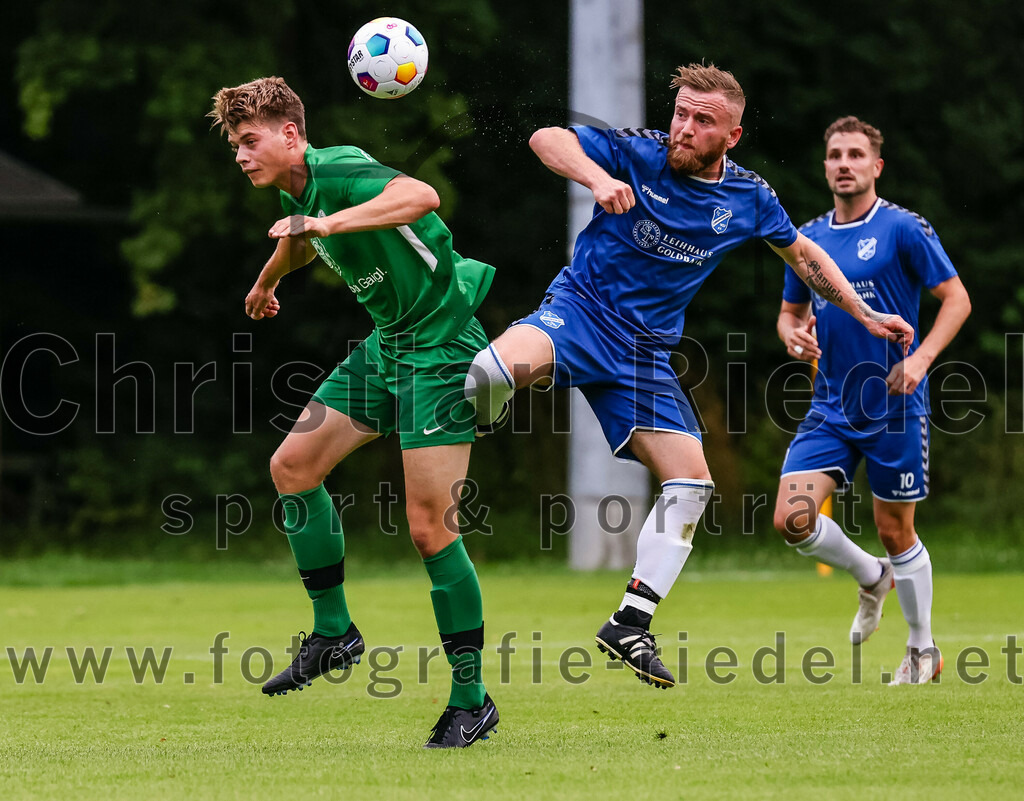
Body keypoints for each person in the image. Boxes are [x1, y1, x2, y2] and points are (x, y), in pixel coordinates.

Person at [464, 64, 914, 689]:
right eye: (680, 113)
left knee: (691, 483)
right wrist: (597, 179)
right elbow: (548, 138)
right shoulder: (638, 153)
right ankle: (474, 429)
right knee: (485, 375)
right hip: (580, 312)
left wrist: (863, 311)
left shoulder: (749, 198)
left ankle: (630, 622)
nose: (683, 128)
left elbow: (804, 255)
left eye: (702, 121)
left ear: (731, 135)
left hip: (643, 357)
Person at [208, 76, 498, 747]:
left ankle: (471, 697)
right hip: (389, 345)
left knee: (430, 527)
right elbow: (303, 237)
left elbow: (418, 196)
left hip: (442, 346)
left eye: (249, 140)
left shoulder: (338, 168)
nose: (241, 154)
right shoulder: (297, 188)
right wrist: (266, 280)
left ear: (289, 134)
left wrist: (328, 221)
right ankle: (334, 633)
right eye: (234, 145)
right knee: (293, 467)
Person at [773, 116, 971, 685]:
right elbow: (790, 313)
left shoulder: (903, 229)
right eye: (835, 154)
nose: (844, 163)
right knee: (792, 518)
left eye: (856, 154)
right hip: (830, 404)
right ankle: (870, 576)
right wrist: (791, 334)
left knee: (895, 529)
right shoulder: (806, 237)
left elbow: (955, 298)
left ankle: (921, 649)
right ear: (825, 165)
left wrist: (921, 359)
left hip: (893, 404)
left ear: (875, 166)